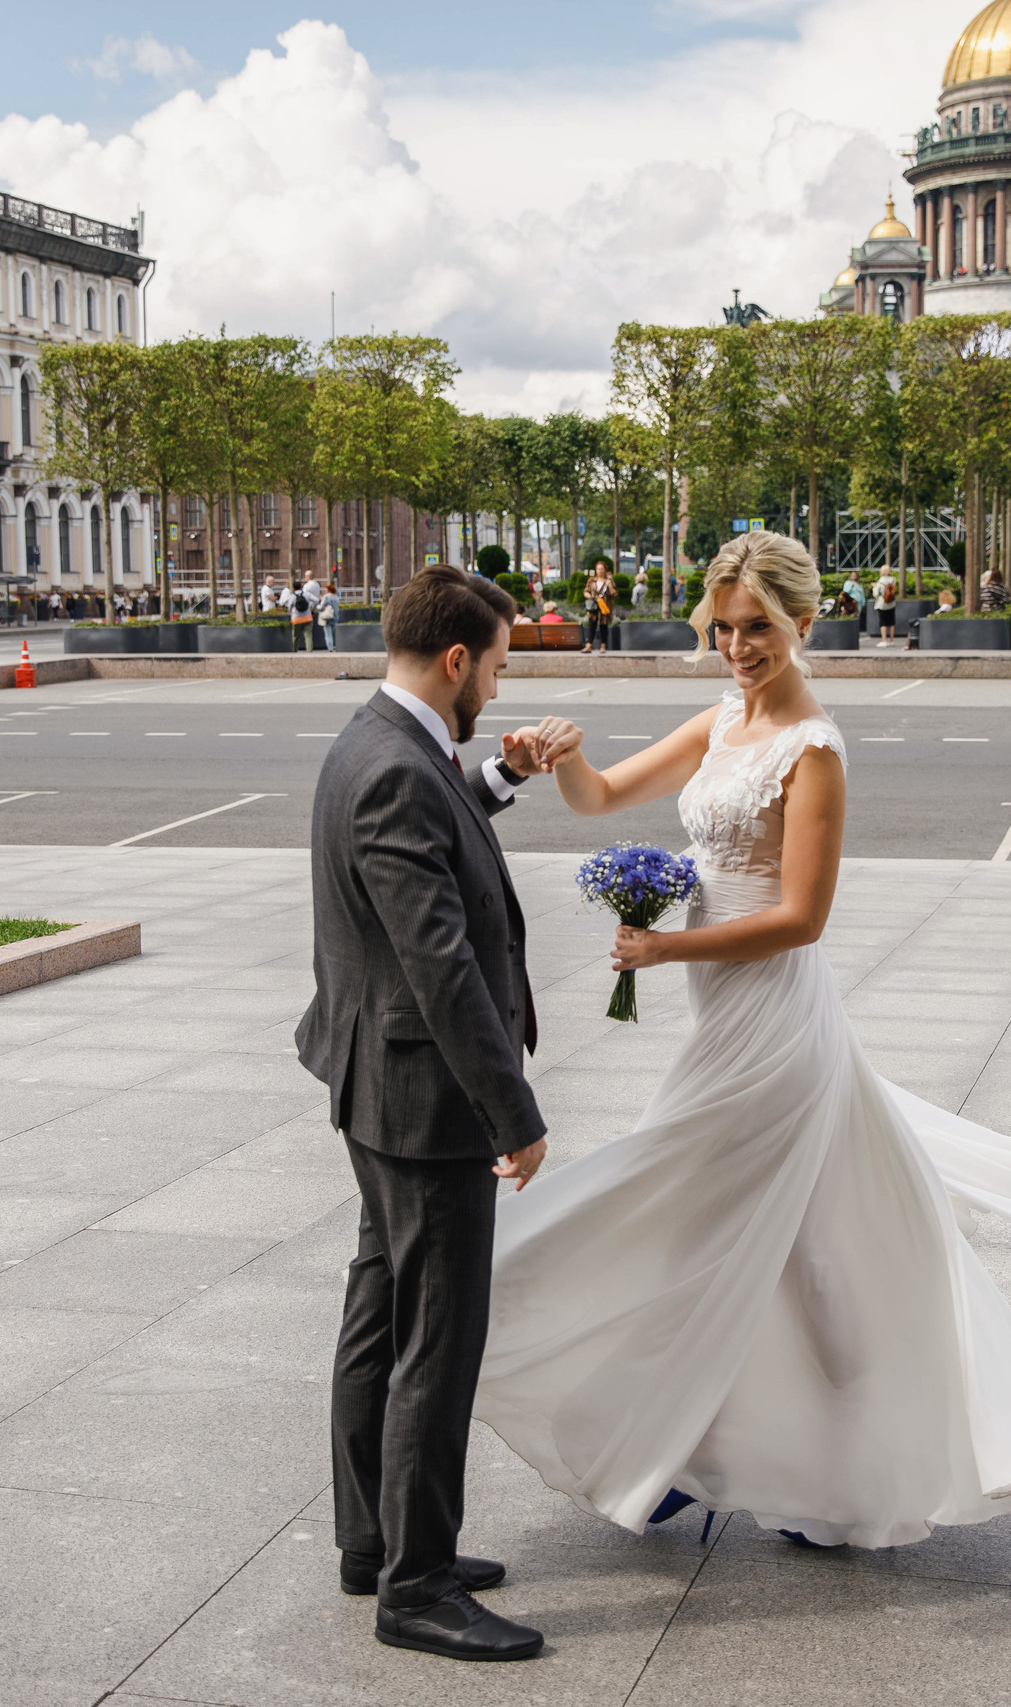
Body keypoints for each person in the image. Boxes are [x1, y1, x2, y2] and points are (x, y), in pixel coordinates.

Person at [473, 529, 1011, 1558]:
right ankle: (736, 1449)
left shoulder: (813, 750)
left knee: (683, 1213)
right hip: (722, 1010)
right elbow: (607, 798)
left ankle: (698, 1449)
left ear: (803, 622)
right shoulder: (720, 719)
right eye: (723, 628)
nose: (739, 647)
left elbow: (803, 917)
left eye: (758, 627)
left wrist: (670, 953)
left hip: (774, 1024)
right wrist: (562, 761)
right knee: (781, 1250)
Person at [296, 565, 557, 1664]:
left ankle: (374, 1543)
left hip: (374, 1082)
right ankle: (417, 1586)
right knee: (435, 1344)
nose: (496, 687)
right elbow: (441, 962)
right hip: (429, 1099)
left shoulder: (380, 741)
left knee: (381, 1314)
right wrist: (514, 1113)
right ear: (456, 660)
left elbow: (438, 839)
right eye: (496, 667)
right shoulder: (397, 770)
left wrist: (498, 775)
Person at [584, 566, 615, 653]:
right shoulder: (592, 580)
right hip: (593, 606)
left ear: (605, 570)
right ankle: (588, 645)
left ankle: (603, 646)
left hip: (604, 606)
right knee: (591, 625)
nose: (600, 571)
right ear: (596, 570)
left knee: (603, 626)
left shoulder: (608, 581)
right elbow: (586, 591)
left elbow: (614, 594)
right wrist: (590, 596)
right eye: (598, 569)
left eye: (602, 569)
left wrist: (610, 585)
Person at [872, 570, 899, 645]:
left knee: (883, 623)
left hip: (882, 604)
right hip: (891, 603)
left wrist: (874, 587)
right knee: (891, 623)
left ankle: (884, 641)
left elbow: (876, 594)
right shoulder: (893, 579)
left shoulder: (880, 581)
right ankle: (891, 641)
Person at [288, 578, 316, 650]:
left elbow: (289, 606)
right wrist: (312, 608)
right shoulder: (306, 594)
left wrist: (292, 613)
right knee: (308, 636)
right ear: (301, 587)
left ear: (293, 588)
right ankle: (309, 651)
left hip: (296, 619)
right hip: (307, 617)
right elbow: (316, 600)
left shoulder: (292, 596)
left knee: (295, 636)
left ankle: (294, 651)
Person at [318, 578, 340, 651]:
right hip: (335, 616)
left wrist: (317, 606)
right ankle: (334, 645)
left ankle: (330, 647)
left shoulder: (326, 597)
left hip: (327, 617)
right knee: (333, 632)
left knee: (328, 633)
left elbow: (321, 607)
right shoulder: (336, 597)